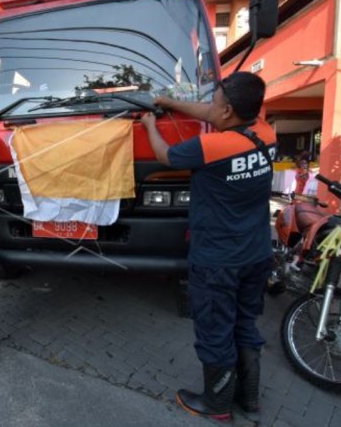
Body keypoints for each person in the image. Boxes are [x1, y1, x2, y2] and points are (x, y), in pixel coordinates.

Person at [141, 72, 275, 422]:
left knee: (215, 329)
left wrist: (149, 125)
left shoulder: (211, 147)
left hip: (218, 259)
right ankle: (249, 400)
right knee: (245, 324)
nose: (209, 108)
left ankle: (216, 405)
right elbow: (211, 113)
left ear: (229, 111)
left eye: (215, 103)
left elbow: (165, 155)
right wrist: (172, 103)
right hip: (257, 253)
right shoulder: (266, 133)